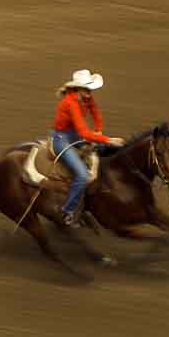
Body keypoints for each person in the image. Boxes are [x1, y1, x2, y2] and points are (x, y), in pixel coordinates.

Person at [51, 69, 124, 227]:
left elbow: (96, 114)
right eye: (86, 89)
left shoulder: (86, 98)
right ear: (77, 89)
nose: (89, 93)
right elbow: (84, 132)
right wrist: (108, 140)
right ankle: (67, 211)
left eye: (90, 90)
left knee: (100, 151)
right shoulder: (70, 103)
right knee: (82, 175)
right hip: (62, 139)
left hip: (75, 135)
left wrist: (98, 130)